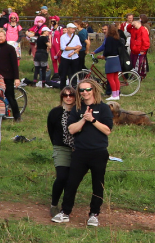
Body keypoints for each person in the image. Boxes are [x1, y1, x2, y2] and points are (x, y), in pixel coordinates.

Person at [53, 80, 113, 227]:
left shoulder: (104, 108)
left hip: (99, 152)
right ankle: (65, 212)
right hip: (80, 152)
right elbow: (72, 129)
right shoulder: (77, 108)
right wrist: (83, 119)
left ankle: (94, 214)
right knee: (71, 182)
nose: (84, 92)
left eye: (87, 89)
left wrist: (92, 120)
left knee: (98, 184)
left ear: (93, 90)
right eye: (81, 90)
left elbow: (107, 130)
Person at [47, 87, 78, 217]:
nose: (68, 97)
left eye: (71, 95)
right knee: (61, 177)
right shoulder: (55, 112)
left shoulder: (79, 112)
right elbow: (51, 130)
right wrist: (56, 144)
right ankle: (54, 204)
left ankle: (67, 206)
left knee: (72, 180)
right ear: (62, 97)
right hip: (61, 147)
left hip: (78, 149)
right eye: (65, 95)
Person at [92, 25, 127, 101]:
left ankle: (114, 94)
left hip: (110, 59)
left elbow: (107, 49)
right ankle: (117, 94)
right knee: (116, 78)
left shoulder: (109, 39)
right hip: (116, 58)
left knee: (110, 78)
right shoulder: (117, 38)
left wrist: (103, 56)